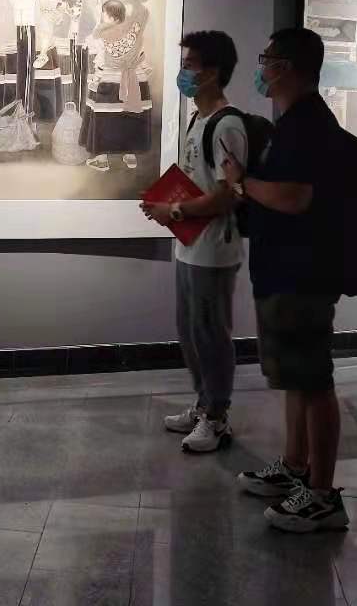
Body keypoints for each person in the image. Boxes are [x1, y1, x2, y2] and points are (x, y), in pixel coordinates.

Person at [225, 27, 350, 532]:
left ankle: (322, 495)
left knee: (314, 380)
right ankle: (296, 467)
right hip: (283, 270)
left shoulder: (308, 124)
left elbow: (296, 197)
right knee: (295, 377)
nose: (262, 68)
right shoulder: (295, 121)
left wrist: (243, 183)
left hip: (304, 273)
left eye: (268, 59)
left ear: (289, 67)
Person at [140, 31, 248, 454]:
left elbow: (227, 195)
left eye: (190, 65)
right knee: (190, 332)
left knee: (210, 334)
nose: (183, 72)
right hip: (189, 245)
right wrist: (166, 205)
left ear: (213, 73)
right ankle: (204, 403)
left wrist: (175, 211)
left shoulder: (227, 124)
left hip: (213, 250)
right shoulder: (198, 119)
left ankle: (217, 417)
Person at [83, 0, 152, 171]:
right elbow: (139, 46)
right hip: (134, 75)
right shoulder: (140, 17)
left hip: (110, 77)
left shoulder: (103, 30)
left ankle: (102, 158)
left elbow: (94, 46)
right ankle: (130, 155)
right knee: (129, 114)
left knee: (105, 116)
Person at [59, 0, 112, 104]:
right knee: (65, 78)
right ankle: (66, 115)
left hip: (88, 37)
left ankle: (84, 115)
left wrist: (97, 14)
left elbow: (111, 10)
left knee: (87, 78)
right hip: (62, 36)